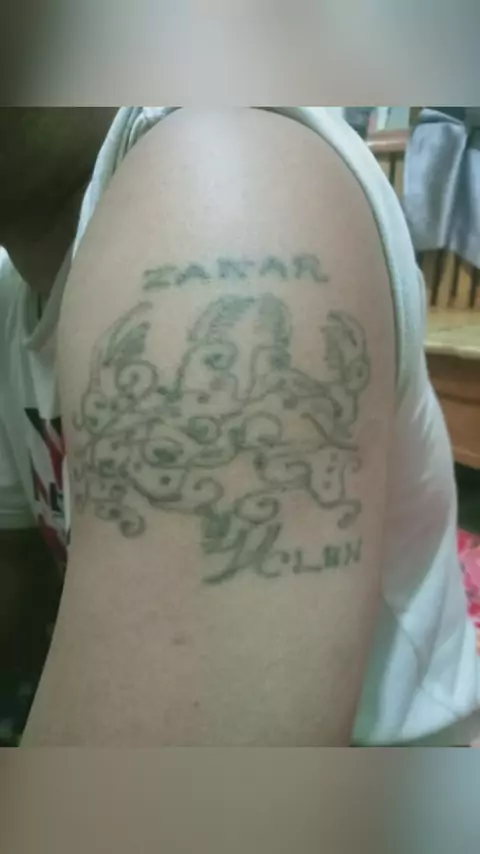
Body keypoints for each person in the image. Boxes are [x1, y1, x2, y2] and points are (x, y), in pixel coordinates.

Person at [0, 107, 478, 747]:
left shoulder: (223, 180)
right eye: (217, 358)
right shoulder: (13, 297)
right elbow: (18, 571)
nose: (231, 373)